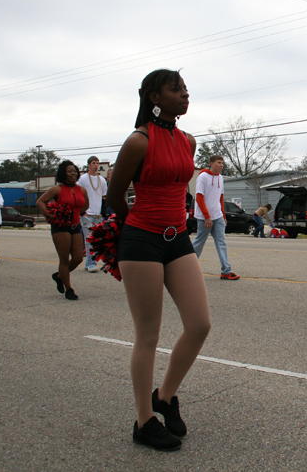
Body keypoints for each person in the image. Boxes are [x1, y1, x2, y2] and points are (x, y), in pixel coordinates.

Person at [107, 69, 211, 452]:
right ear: (154, 96)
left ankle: (165, 397)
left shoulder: (188, 141)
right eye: (176, 89)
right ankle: (143, 420)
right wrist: (135, 227)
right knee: (148, 335)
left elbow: (178, 185)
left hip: (177, 238)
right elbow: (116, 195)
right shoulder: (137, 141)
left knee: (199, 324)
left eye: (185, 88)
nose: (185, 94)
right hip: (142, 241)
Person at [37, 160, 89, 301]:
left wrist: (76, 215)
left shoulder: (82, 190)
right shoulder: (57, 189)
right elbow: (40, 201)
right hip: (60, 227)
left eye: (75, 171)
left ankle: (59, 276)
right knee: (64, 259)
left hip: (75, 226)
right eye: (70, 171)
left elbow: (85, 205)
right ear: (63, 174)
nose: (73, 173)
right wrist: (50, 214)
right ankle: (69, 289)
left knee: (78, 258)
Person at [193, 155, 239, 280]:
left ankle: (226, 271)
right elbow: (199, 197)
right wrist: (206, 216)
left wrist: (223, 215)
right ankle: (186, 268)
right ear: (211, 163)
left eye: (222, 163)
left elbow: (220, 198)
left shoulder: (220, 178)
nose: (221, 165)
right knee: (199, 243)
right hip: (204, 217)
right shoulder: (203, 177)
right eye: (219, 162)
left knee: (221, 243)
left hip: (217, 216)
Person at [78, 156, 108, 272]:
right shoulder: (83, 179)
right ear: (89, 165)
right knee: (89, 239)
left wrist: (103, 213)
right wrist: (82, 212)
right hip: (87, 214)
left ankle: (89, 263)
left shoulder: (102, 180)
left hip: (98, 215)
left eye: (97, 163)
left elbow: (104, 197)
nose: (96, 165)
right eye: (93, 163)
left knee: (97, 240)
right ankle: (91, 264)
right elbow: (78, 194)